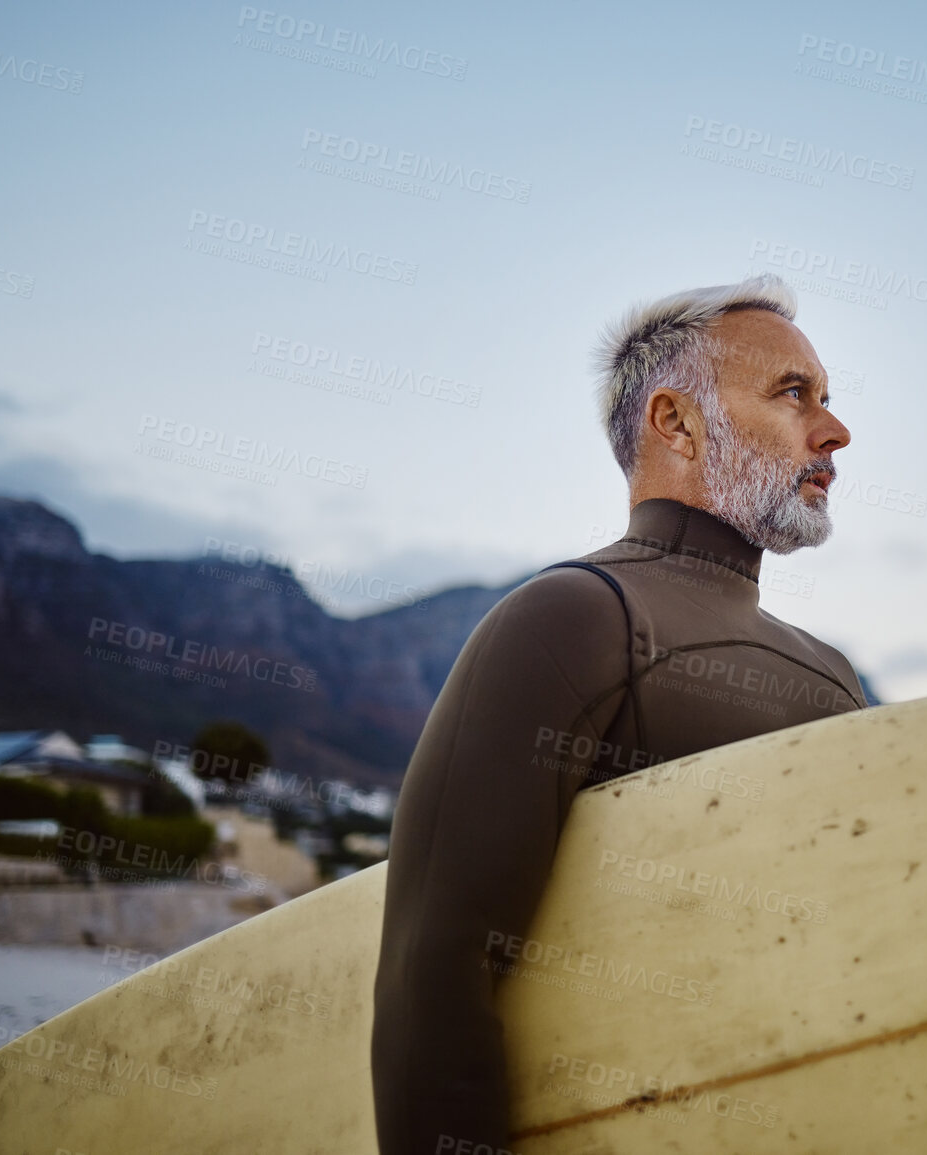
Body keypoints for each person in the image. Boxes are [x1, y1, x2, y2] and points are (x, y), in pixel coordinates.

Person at [371, 274, 867, 1153]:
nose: (834, 432)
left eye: (826, 399)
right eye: (794, 394)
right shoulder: (575, 620)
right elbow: (435, 976)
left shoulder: (830, 678)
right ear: (674, 422)